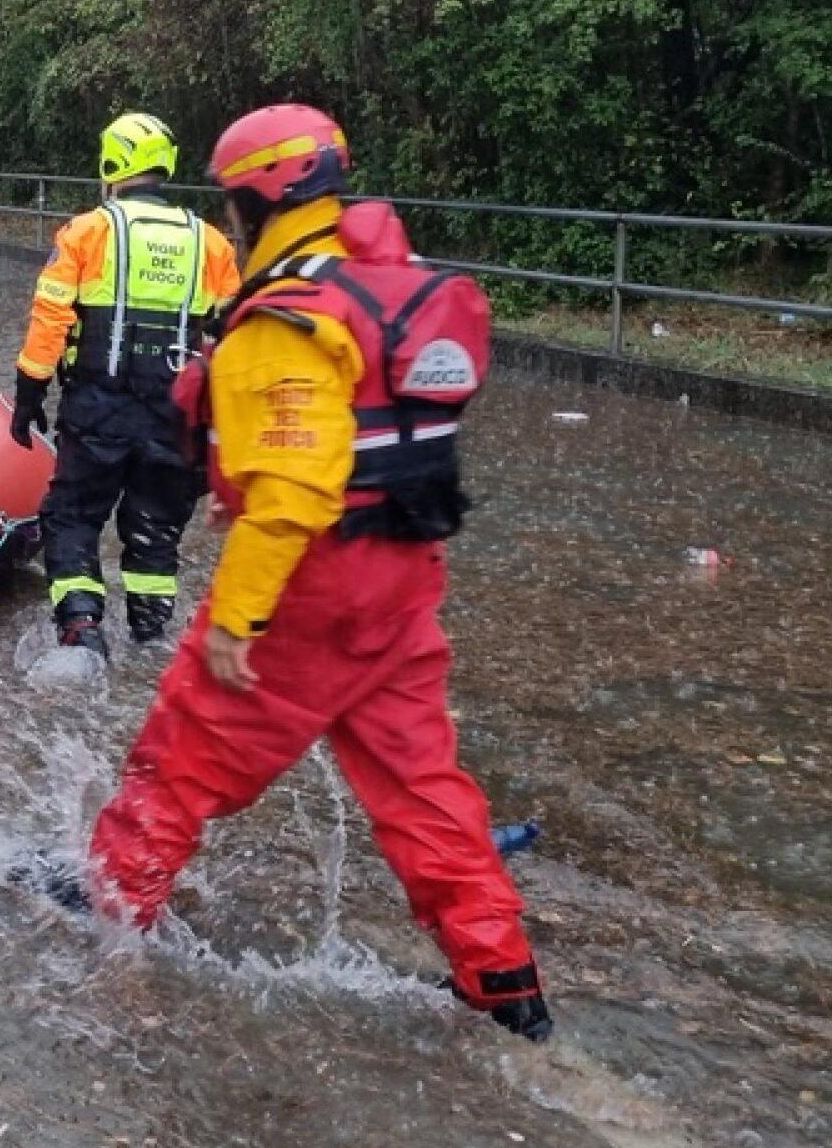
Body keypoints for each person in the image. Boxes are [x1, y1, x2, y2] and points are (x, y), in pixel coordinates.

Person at [67, 103, 552, 1040]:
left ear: (253, 201)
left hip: (305, 591)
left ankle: (106, 925)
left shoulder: (282, 320)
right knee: (426, 794)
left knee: (178, 763)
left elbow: (294, 488)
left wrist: (240, 619)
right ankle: (504, 984)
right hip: (403, 588)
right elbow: (366, 431)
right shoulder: (384, 287)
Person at [11, 113, 241, 670]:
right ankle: (152, 635)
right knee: (155, 529)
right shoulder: (209, 243)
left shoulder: (87, 232)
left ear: (113, 163)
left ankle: (82, 630)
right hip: (175, 417)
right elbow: (234, 336)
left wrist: (28, 395)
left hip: (97, 409)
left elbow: (50, 319)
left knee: (72, 515)